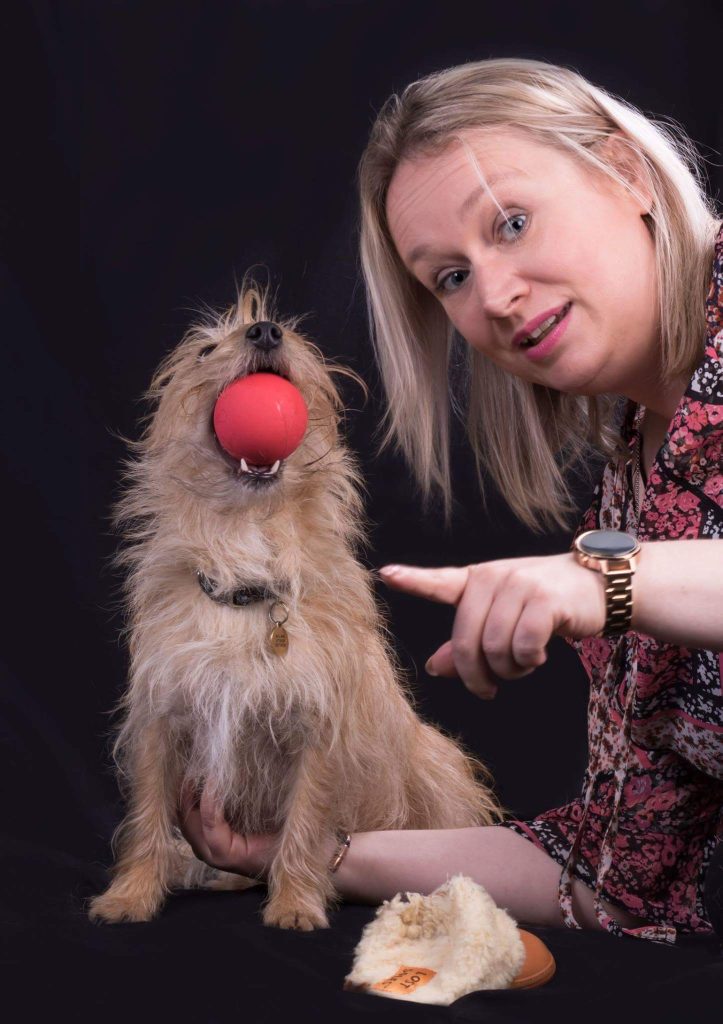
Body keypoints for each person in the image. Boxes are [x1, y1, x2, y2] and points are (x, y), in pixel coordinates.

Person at [178, 58, 723, 944]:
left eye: (511, 222)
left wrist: (601, 585)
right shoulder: (639, 487)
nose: (496, 296)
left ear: (626, 174)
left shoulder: (620, 559)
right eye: (450, 278)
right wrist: (309, 852)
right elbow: (614, 878)